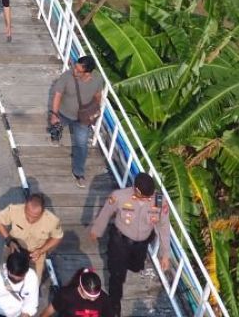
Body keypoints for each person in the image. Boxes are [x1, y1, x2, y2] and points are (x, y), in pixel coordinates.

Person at [89, 173, 170, 317]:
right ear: (136, 190)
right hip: (120, 241)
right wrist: (97, 230)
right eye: (145, 197)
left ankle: (130, 264)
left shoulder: (158, 201)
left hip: (141, 244)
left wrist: (165, 254)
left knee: (136, 266)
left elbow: (164, 226)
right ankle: (114, 305)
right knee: (117, 274)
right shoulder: (120, 196)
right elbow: (106, 213)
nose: (148, 200)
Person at [49, 56, 103, 187]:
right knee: (56, 128)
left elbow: (97, 96)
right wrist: (54, 114)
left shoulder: (97, 79)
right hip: (64, 113)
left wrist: (93, 111)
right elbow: (57, 95)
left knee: (82, 145)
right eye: (75, 67)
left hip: (82, 119)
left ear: (88, 73)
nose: (75, 71)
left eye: (78, 71)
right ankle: (56, 133)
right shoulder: (66, 77)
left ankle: (79, 172)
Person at [0, 192, 64, 282]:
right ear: (25, 205)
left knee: (34, 281)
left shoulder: (52, 221)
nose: (30, 219)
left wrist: (41, 250)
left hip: (36, 254)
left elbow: (57, 237)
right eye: (27, 214)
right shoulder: (14, 210)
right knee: (5, 275)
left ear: (43, 211)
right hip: (13, 248)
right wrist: (9, 240)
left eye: (35, 217)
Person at [39, 268, 113, 317]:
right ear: (80, 287)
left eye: (96, 296)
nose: (93, 299)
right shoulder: (65, 295)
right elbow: (50, 310)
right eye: (89, 296)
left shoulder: (104, 299)